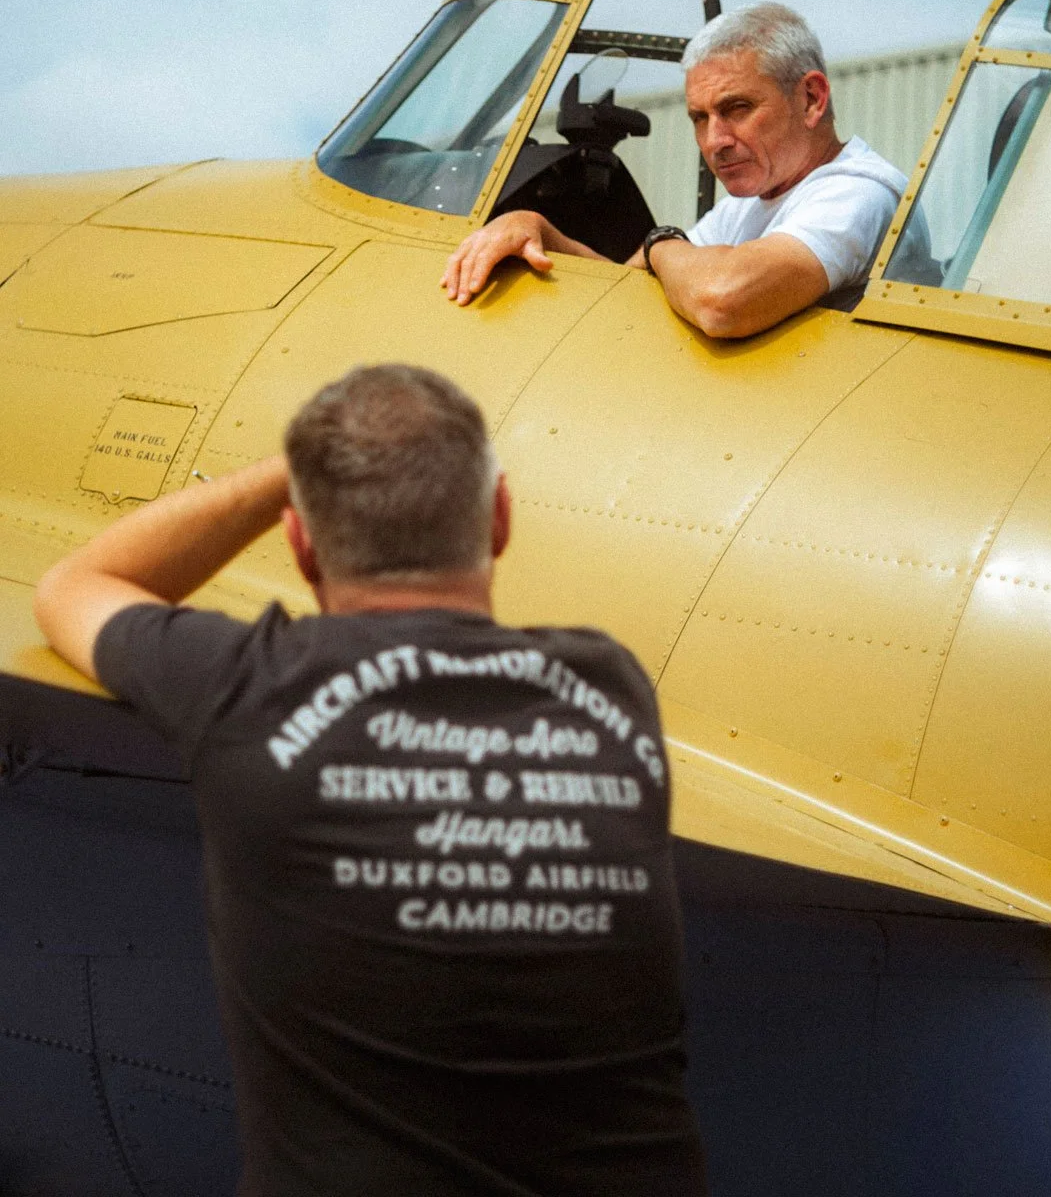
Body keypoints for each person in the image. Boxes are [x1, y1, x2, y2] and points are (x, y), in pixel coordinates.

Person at [33, 364, 707, 1197]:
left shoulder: (251, 690)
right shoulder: (614, 687)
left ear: (300, 542)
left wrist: (293, 470)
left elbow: (72, 586)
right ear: (498, 520)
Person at [441, 2, 907, 338]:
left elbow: (722, 298)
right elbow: (628, 286)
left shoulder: (858, 191)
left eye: (737, 108)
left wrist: (659, 242)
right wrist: (537, 228)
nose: (714, 141)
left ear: (811, 99)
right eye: (699, 118)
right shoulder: (747, 209)